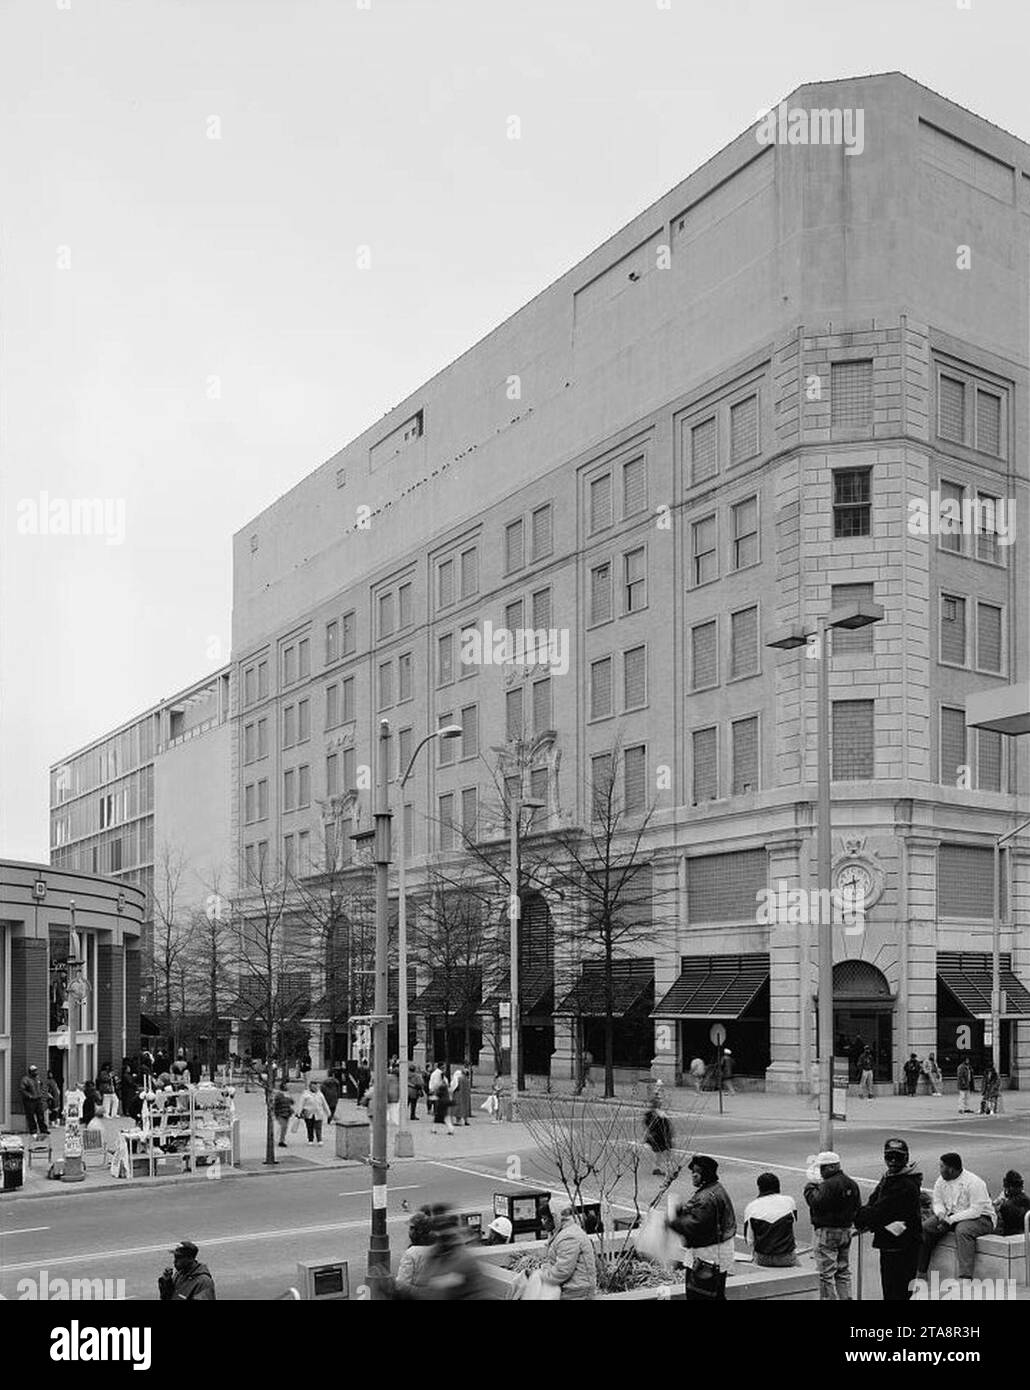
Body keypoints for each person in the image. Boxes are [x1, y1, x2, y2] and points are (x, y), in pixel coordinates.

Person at [854, 1137, 924, 1301]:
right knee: (892, 1290)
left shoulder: (903, 1183)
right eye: (889, 1157)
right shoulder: (891, 1177)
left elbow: (878, 1212)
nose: (892, 1161)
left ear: (906, 1158)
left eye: (897, 1157)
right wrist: (867, 1214)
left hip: (901, 1247)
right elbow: (874, 1203)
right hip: (893, 1245)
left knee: (896, 1292)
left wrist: (859, 1216)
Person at [667, 1155, 737, 1300]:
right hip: (718, 1251)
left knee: (700, 1294)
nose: (693, 1175)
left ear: (705, 1175)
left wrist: (672, 1222)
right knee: (716, 1292)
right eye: (692, 1172)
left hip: (708, 1255)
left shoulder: (706, 1198)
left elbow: (695, 1226)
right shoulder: (715, 1188)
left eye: (696, 1173)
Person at [917, 1152, 995, 1282]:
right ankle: (921, 1271)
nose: (939, 1169)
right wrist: (940, 1213)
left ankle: (965, 1276)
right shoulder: (941, 1181)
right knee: (926, 1228)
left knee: (963, 1230)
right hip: (951, 1215)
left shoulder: (974, 1182)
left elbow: (975, 1211)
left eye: (942, 1166)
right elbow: (937, 1201)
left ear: (951, 1169)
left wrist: (951, 1220)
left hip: (981, 1218)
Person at [803, 1151, 862, 1300]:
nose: (821, 1172)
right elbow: (858, 1207)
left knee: (825, 1273)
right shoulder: (851, 1183)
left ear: (830, 1167)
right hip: (845, 1230)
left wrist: (809, 1188)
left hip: (827, 1231)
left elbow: (815, 1202)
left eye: (822, 1168)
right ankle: (846, 1297)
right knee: (843, 1271)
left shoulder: (827, 1185)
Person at [414, 1205, 498, 1300]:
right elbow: (422, 1286)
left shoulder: (464, 1259)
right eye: (439, 1232)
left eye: (446, 1233)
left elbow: (478, 1291)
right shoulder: (432, 1256)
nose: (442, 1235)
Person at [539, 1206, 598, 1299]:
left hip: (577, 1291)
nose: (542, 1222)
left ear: (554, 1218)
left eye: (545, 1218)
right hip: (572, 1288)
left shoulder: (568, 1237)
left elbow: (563, 1271)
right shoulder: (560, 1233)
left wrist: (541, 1276)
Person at [742, 1172, 798, 1268]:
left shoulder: (751, 1207)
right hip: (786, 1256)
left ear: (759, 1188)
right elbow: (793, 1221)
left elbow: (749, 1240)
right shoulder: (789, 1201)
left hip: (763, 1257)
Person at [395, 1210, 436, 1290]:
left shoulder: (411, 1253)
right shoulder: (438, 1248)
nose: (409, 1231)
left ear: (419, 1231)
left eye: (411, 1228)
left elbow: (402, 1283)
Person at [643, 1100, 676, 1179]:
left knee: (658, 1153)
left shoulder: (650, 1115)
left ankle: (657, 1167)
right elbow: (667, 1126)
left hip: (656, 1136)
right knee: (666, 1153)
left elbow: (647, 1126)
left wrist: (647, 1135)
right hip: (661, 1136)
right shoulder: (660, 1114)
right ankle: (667, 1170)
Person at [994, 1170, 1030, 1237]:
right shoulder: (1026, 1200)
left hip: (1011, 1235)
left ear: (1009, 1187)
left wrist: (997, 1208)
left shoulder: (1006, 1206)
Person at [295, 1080, 331, 1145]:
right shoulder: (305, 1094)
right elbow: (301, 1104)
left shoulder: (320, 1094)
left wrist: (328, 1112)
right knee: (309, 1127)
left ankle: (319, 1140)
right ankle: (310, 1139)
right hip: (308, 1113)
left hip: (318, 1113)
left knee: (318, 1127)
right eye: (313, 1087)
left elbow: (324, 1104)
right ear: (310, 1087)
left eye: (316, 1087)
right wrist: (299, 1112)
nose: (315, 1088)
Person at [20, 1065, 49, 1137]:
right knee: (31, 1116)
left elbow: (42, 1085)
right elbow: (22, 1090)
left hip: (38, 1099)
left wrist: (41, 1093)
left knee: (41, 1115)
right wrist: (29, 1095)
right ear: (30, 1072)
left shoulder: (37, 1078)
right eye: (34, 1071)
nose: (36, 1072)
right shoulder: (25, 1079)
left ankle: (43, 1129)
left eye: (36, 1070)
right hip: (29, 1101)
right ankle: (33, 1130)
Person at [431, 1065, 455, 1135]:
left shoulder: (441, 1086)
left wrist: (433, 1097)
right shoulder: (445, 1083)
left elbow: (438, 1095)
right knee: (445, 1118)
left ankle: (435, 1129)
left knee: (440, 1118)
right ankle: (450, 1129)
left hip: (441, 1104)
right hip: (445, 1102)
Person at [273, 1079, 294, 1147]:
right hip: (280, 1113)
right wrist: (274, 1113)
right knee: (283, 1126)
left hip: (287, 1113)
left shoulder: (288, 1094)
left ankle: (280, 1138)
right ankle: (281, 1140)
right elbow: (275, 1104)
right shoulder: (278, 1095)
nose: (288, 1087)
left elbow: (292, 1102)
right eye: (286, 1085)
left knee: (284, 1127)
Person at [450, 1061, 472, 1126]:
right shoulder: (467, 1080)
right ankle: (466, 1120)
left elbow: (454, 1086)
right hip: (466, 1096)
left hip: (459, 1095)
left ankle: (458, 1121)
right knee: (465, 1107)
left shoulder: (459, 1079)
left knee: (458, 1108)